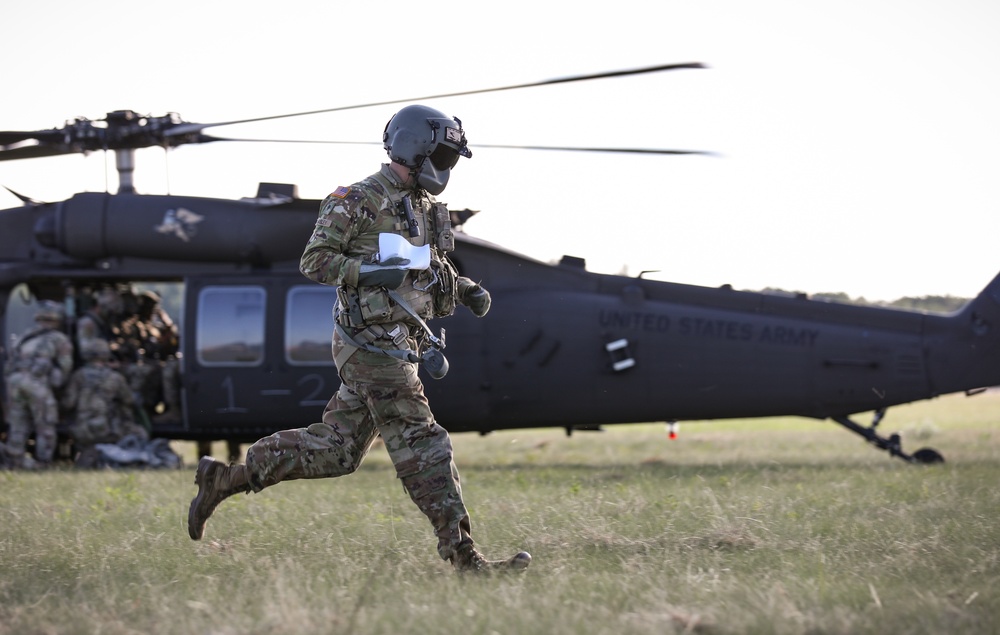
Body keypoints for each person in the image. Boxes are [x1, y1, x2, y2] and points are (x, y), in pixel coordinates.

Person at [188, 105, 531, 573]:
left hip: (400, 343)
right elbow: (315, 261)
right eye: (445, 156)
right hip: (367, 345)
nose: (448, 168)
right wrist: (367, 271)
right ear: (417, 148)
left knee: (339, 451)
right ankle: (466, 560)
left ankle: (226, 479)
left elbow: (428, 266)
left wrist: (466, 289)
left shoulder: (425, 208)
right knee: (424, 443)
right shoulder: (357, 199)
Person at [3, 301, 74, 468]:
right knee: (46, 424)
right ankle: (44, 462)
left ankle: (14, 460)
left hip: (14, 382)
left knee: (18, 424)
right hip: (37, 384)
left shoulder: (25, 336)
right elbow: (65, 368)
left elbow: (9, 364)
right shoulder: (59, 339)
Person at [62, 338, 148, 467]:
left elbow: (68, 403)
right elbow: (129, 400)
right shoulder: (115, 378)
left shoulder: (78, 376)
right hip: (109, 432)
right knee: (140, 432)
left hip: (82, 432)